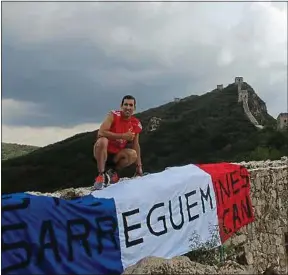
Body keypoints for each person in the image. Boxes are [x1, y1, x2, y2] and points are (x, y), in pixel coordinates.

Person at [93, 95, 143, 190]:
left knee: (132, 154)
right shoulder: (113, 115)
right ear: (121, 106)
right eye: (126, 104)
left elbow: (136, 145)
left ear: (134, 108)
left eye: (131, 105)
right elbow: (101, 132)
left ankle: (112, 173)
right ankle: (101, 175)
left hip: (116, 155)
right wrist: (123, 136)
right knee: (103, 141)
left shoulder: (135, 123)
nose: (128, 107)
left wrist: (139, 166)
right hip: (102, 152)